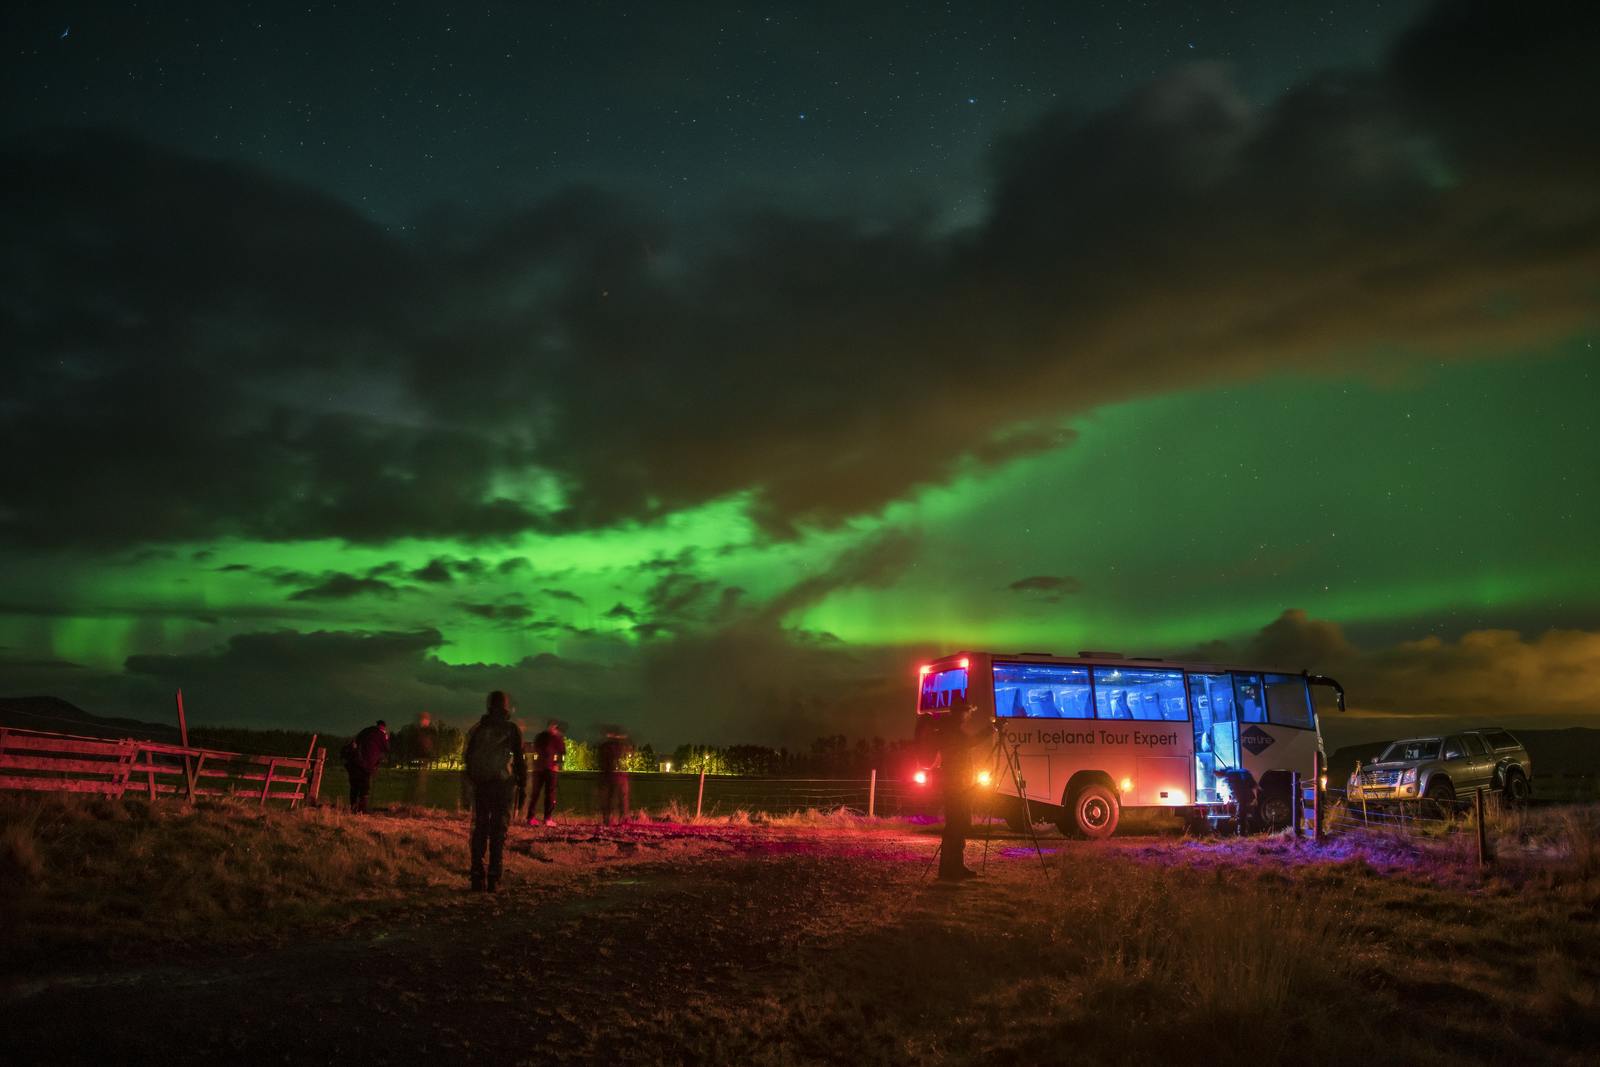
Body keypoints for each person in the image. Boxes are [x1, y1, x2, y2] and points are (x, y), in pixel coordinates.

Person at [463, 691, 526, 892]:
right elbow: (519, 759)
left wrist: (471, 783)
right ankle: (494, 875)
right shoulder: (511, 729)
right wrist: (523, 786)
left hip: (482, 785)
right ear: (506, 708)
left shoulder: (478, 729)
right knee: (499, 830)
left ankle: (476, 874)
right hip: (503, 785)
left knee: (480, 828)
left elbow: (468, 758)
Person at [935, 698, 991, 881]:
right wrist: (992, 729)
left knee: (957, 826)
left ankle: (954, 867)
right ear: (961, 713)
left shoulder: (949, 730)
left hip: (958, 785)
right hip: (956, 786)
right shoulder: (953, 732)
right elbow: (971, 742)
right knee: (955, 826)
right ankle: (950, 869)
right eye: (968, 712)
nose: (969, 716)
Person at [342, 720, 390, 814]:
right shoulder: (381, 734)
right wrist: (386, 738)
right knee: (364, 787)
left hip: (354, 761)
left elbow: (356, 741)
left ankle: (353, 807)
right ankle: (361, 809)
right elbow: (387, 748)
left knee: (354, 786)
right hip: (366, 764)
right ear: (383, 727)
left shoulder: (366, 731)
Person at [528, 718, 566, 826]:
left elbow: (562, 752)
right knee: (536, 793)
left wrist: (557, 762)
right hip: (541, 769)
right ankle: (531, 817)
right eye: (552, 726)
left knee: (549, 794)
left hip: (550, 769)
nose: (553, 728)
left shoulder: (557, 738)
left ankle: (547, 818)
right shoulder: (543, 737)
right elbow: (536, 749)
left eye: (555, 726)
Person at [597, 728, 632, 826]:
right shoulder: (614, 747)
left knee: (612, 798)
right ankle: (616, 819)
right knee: (617, 798)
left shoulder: (606, 746)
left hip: (610, 775)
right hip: (612, 775)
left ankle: (611, 819)